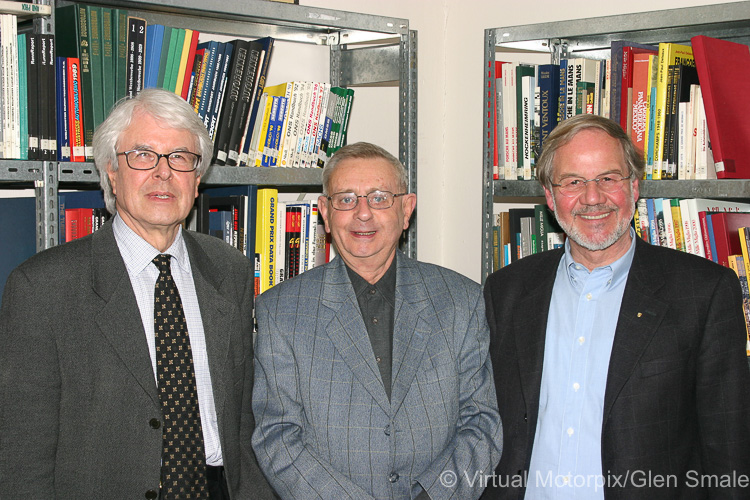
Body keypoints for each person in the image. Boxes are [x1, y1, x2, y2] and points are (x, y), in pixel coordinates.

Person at [0, 88, 274, 500]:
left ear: (197, 179)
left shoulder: (229, 269)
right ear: (111, 170)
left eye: (180, 157)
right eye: (143, 155)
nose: (164, 173)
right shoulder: (42, 288)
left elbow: (241, 420)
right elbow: (22, 457)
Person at [482, 113, 750, 499]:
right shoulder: (506, 291)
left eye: (608, 179)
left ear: (635, 186)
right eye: (573, 182)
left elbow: (730, 450)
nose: (593, 198)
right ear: (550, 195)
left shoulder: (702, 293)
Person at [252, 142, 503, 499]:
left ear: (406, 209)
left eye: (380, 197)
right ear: (325, 211)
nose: (363, 213)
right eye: (346, 199)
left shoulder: (461, 301)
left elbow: (481, 422)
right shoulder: (280, 312)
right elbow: (277, 436)